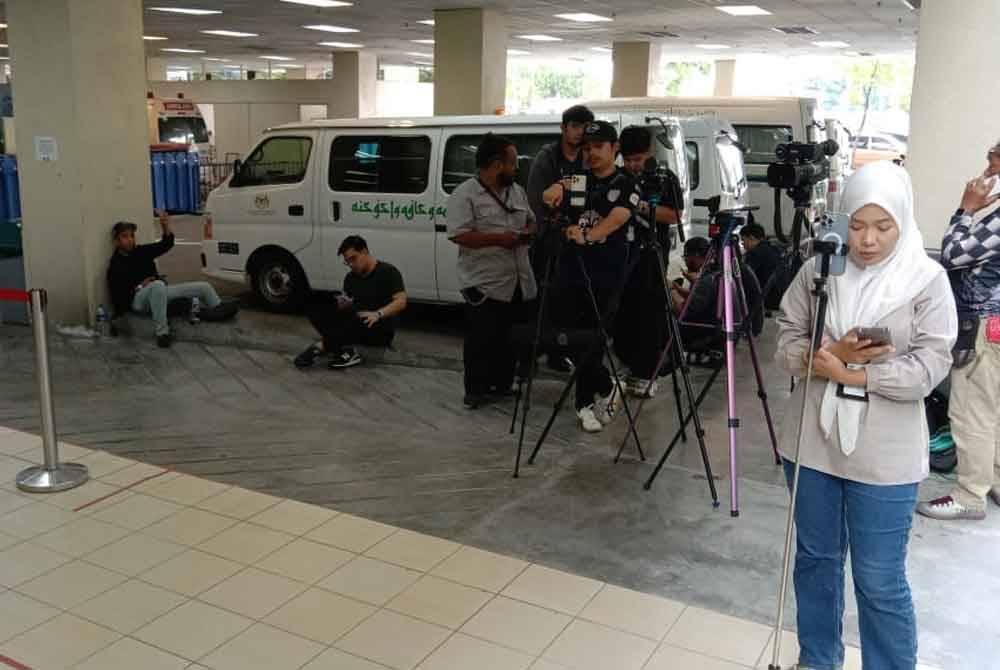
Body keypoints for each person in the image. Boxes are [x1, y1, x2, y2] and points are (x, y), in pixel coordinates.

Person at [775, 161, 957, 670]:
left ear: (903, 221)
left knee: (878, 577)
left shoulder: (926, 281)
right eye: (856, 225)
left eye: (883, 226)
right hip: (812, 442)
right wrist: (827, 356)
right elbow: (786, 342)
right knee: (816, 563)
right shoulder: (819, 271)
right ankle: (817, 659)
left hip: (885, 456)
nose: (868, 240)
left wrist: (851, 372)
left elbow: (929, 369)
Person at [916, 140, 1000, 521]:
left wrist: (964, 209)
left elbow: (952, 255)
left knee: (972, 411)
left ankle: (970, 495)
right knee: (992, 409)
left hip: (985, 324)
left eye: (992, 165)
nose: (985, 175)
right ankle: (993, 480)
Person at [543, 120, 639, 433]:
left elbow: (617, 218)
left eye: (599, 147)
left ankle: (584, 404)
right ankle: (608, 384)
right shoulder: (579, 179)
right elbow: (556, 189)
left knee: (593, 338)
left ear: (615, 149)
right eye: (588, 147)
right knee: (561, 334)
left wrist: (589, 235)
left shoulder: (625, 183)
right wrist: (555, 189)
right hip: (571, 270)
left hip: (605, 272)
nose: (593, 153)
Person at [448, 134, 537, 410]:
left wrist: (528, 233)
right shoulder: (465, 194)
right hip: (484, 282)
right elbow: (459, 235)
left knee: (509, 338)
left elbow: (532, 221)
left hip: (518, 280)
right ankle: (475, 391)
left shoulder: (517, 191)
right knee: (481, 339)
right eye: (512, 163)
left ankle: (502, 385)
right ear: (497, 164)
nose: (516, 168)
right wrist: (499, 239)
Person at [613, 125, 682, 397]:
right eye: (627, 160)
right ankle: (626, 364)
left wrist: (639, 204)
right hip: (620, 254)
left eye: (638, 160)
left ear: (649, 153)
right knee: (622, 312)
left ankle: (647, 372)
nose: (632, 166)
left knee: (649, 313)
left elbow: (674, 214)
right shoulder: (618, 176)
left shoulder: (664, 177)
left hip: (651, 254)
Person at [527, 104, 595, 373]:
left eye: (585, 128)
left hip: (578, 238)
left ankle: (559, 353)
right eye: (576, 126)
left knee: (569, 302)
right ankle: (529, 356)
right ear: (563, 128)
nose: (580, 133)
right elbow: (535, 199)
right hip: (547, 240)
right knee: (540, 300)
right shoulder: (547, 157)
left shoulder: (588, 158)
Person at [107, 211, 236, 348]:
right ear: (116, 241)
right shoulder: (116, 266)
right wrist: (140, 286)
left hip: (159, 291)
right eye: (125, 237)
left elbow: (166, 244)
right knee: (157, 285)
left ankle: (219, 309)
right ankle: (162, 333)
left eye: (132, 236)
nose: (130, 240)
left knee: (203, 286)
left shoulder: (141, 251)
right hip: (138, 301)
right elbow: (119, 298)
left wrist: (165, 225)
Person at [294, 236, 407, 369]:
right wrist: (343, 306)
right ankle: (342, 351)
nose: (351, 265)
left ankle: (321, 346)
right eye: (347, 262)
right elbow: (349, 304)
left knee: (356, 320)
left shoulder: (388, 272)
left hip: (378, 326)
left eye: (353, 259)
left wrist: (378, 314)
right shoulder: (350, 277)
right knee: (314, 307)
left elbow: (401, 301)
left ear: (364, 252)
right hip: (356, 321)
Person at [740, 222, 782, 301]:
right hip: (778, 294)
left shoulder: (754, 253)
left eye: (743, 240)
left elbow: (744, 277)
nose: (743, 244)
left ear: (751, 238)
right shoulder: (774, 249)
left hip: (767, 298)